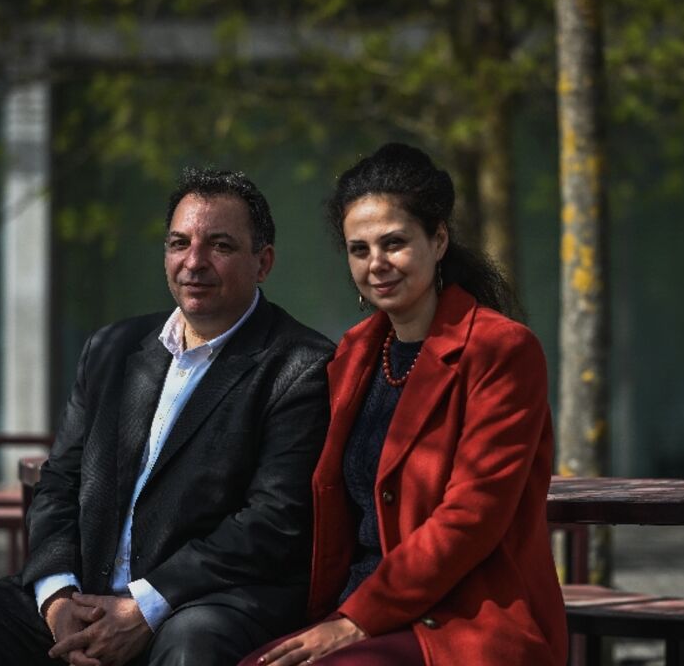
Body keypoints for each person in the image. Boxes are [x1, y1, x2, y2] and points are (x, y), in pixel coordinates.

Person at [0, 168, 334, 666]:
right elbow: (60, 482)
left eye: (219, 246)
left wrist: (146, 607)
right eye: (179, 243)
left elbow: (272, 520)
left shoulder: (300, 365)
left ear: (262, 262)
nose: (193, 262)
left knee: (192, 647)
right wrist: (57, 598)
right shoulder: (112, 349)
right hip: (86, 592)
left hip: (201, 599)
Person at [242, 143, 566, 666]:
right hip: (360, 603)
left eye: (394, 243)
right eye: (359, 249)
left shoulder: (500, 350)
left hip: (464, 617)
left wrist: (353, 622)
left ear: (438, 240)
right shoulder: (353, 354)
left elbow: (470, 517)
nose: (377, 265)